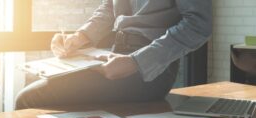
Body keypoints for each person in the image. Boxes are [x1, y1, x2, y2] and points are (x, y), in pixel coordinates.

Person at [15, 0, 212, 109]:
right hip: (116, 54)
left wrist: (136, 62)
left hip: (150, 70)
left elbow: (198, 25)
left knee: (28, 99)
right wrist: (79, 36)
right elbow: (109, 8)